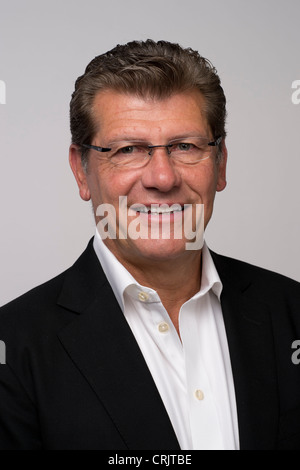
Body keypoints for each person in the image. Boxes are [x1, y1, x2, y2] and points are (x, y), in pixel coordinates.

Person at [0, 39, 300, 451]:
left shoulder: (292, 312)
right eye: (128, 150)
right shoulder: (14, 350)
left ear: (221, 164)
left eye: (185, 147)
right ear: (81, 171)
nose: (162, 177)